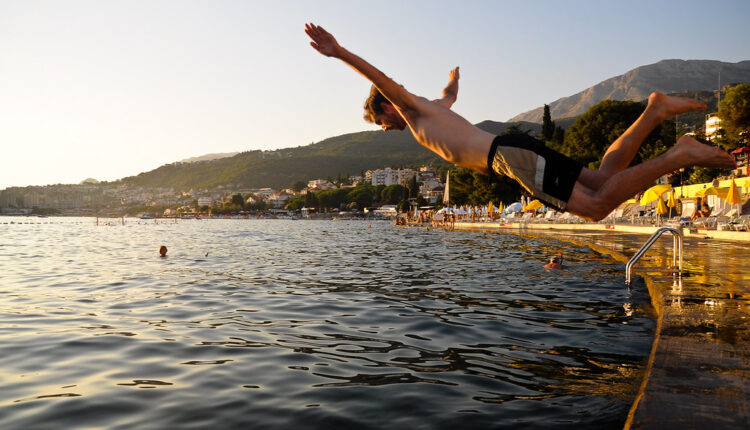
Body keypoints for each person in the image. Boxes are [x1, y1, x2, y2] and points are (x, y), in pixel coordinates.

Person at [304, 24, 736, 221]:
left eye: (379, 119)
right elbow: (450, 97)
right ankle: (653, 110)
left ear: (386, 107)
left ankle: (678, 154)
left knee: (598, 207)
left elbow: (381, 79)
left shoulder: (411, 109)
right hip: (512, 150)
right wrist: (452, 82)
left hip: (509, 159)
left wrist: (341, 53)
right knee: (605, 176)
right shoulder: (432, 107)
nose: (382, 127)